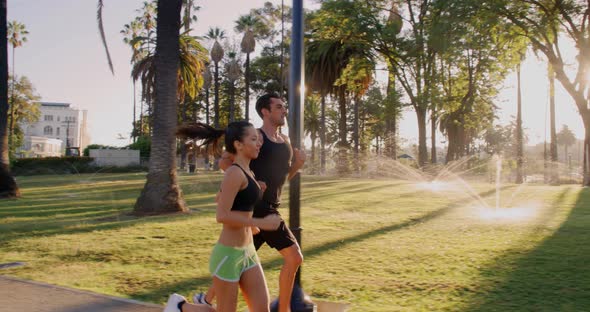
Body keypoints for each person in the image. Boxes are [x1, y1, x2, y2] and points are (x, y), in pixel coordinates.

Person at [195, 93, 306, 312]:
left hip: (266, 209)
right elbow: (225, 162)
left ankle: (205, 300)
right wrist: (250, 182)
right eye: (279, 107)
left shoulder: (285, 141)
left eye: (284, 107)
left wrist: (297, 165)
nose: (284, 111)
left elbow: (281, 178)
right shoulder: (255, 138)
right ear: (265, 111)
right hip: (259, 209)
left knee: (237, 258)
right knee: (294, 257)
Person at [164, 120, 282, 312]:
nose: (259, 143)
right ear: (238, 144)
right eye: (253, 139)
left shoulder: (248, 172)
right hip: (228, 254)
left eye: (258, 139)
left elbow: (224, 199)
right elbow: (222, 215)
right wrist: (260, 222)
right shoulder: (234, 173)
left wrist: (251, 222)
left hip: (248, 252)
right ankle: (180, 306)